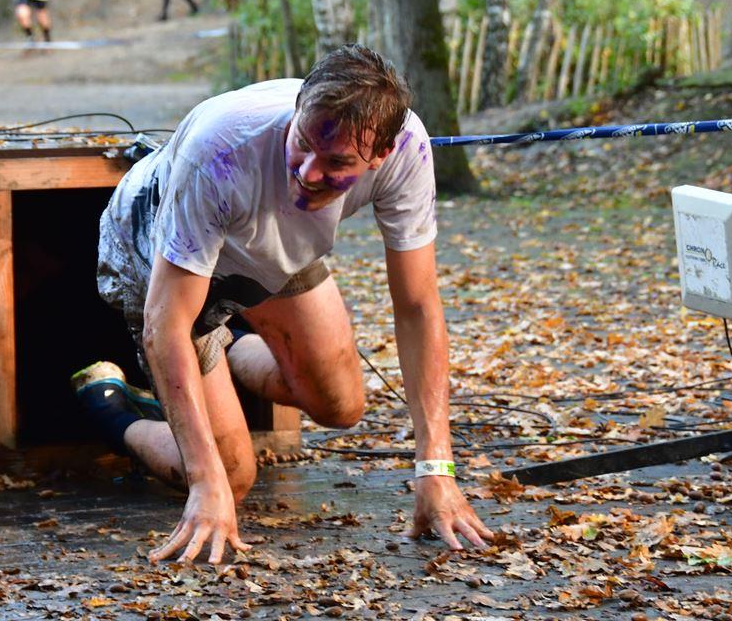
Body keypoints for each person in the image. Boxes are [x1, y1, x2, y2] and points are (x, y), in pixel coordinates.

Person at [73, 45, 493, 565]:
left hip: (276, 244)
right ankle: (110, 408)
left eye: (337, 163)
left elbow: (418, 306)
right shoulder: (219, 151)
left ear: (380, 155)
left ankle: (227, 344)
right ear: (297, 111)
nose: (309, 174)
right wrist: (204, 482)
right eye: (303, 145)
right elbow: (167, 326)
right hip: (158, 246)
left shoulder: (408, 148)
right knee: (230, 477)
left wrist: (436, 469)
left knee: (341, 405)